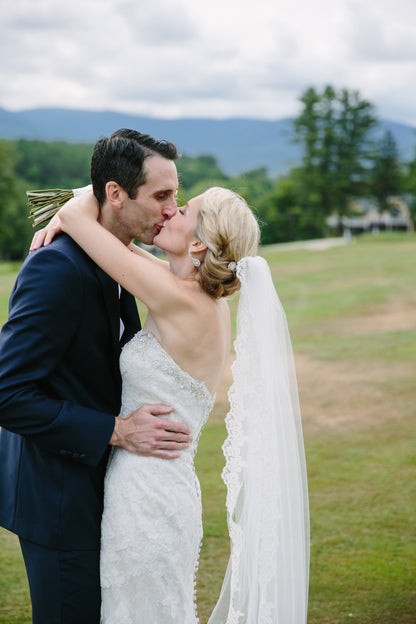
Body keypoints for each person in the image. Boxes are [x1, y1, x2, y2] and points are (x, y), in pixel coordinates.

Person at [31, 184, 310, 623]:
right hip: (158, 484)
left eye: (181, 209)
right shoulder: (186, 290)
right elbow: (102, 235)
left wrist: (91, 191)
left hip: (147, 492)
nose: (167, 212)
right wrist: (71, 214)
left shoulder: (182, 301)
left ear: (197, 241)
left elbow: (80, 220)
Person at [0, 129, 194, 624]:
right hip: (59, 498)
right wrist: (118, 429)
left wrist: (74, 202)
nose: (173, 209)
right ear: (115, 194)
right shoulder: (58, 268)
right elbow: (8, 392)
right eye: (161, 196)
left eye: (175, 194)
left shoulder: (117, 257)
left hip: (109, 492)